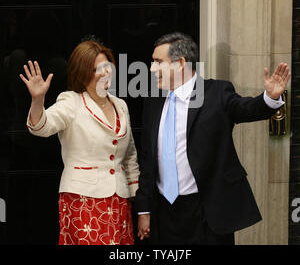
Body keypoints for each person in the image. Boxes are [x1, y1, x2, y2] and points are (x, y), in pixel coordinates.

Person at [135, 32, 291, 245]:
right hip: (164, 213)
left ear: (180, 63)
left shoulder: (216, 93)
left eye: (158, 62)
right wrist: (143, 208)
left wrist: (270, 98)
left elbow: (245, 109)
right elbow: (147, 159)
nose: (152, 69)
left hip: (207, 213)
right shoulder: (152, 100)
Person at [20, 40, 140, 245]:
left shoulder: (120, 104)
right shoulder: (71, 102)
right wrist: (38, 100)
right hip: (82, 200)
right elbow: (41, 127)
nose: (104, 73)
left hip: (119, 200)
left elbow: (129, 155)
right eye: (95, 69)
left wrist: (137, 198)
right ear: (82, 72)